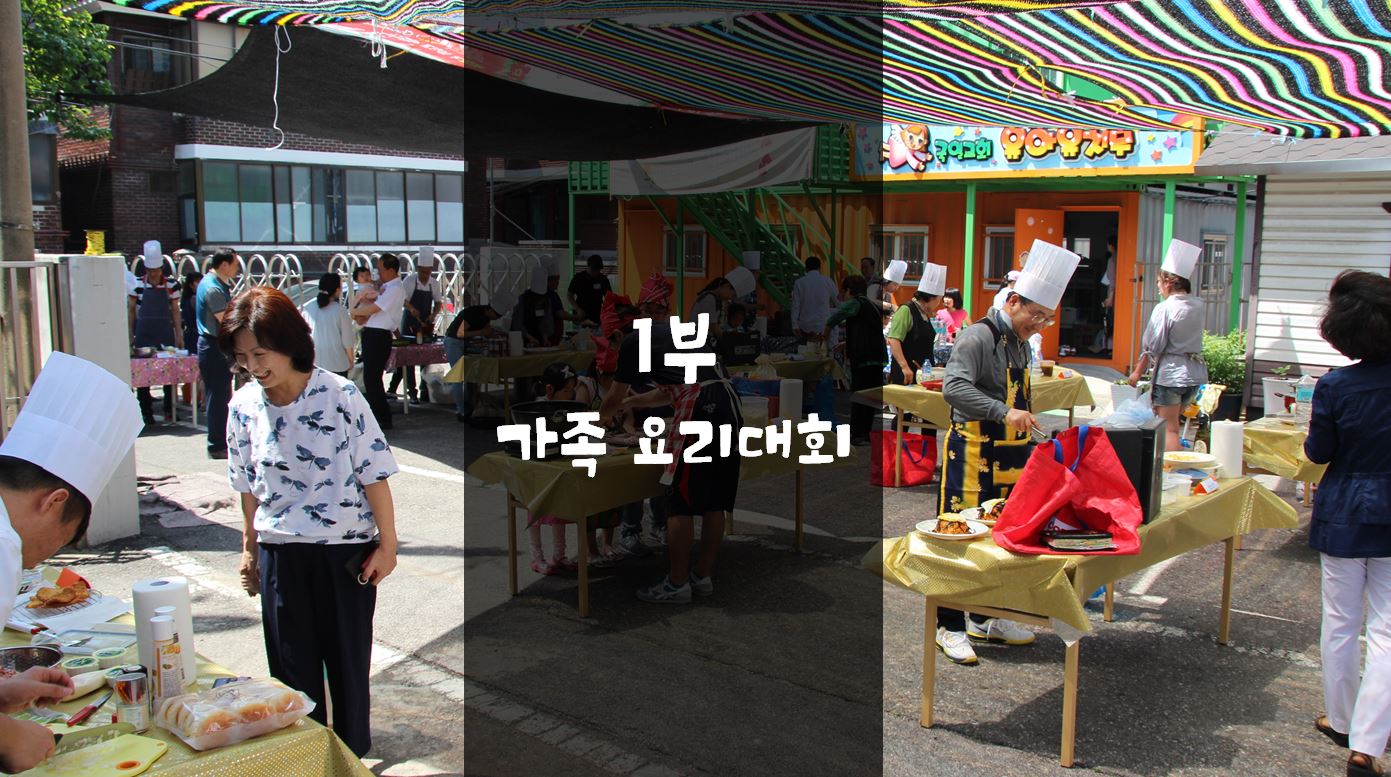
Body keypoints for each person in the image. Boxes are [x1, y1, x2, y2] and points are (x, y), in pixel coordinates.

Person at [223, 287, 398, 759]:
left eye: (260, 354)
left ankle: (351, 758)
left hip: (345, 553)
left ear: (289, 344)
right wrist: (249, 549)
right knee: (290, 673)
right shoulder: (242, 406)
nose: (253, 366)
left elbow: (374, 472)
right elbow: (246, 485)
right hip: (280, 553)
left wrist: (388, 545)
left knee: (347, 665)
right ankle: (306, 760)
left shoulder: (339, 394)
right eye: (242, 357)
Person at [936, 239, 1081, 665]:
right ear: (1013, 301)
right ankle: (949, 624)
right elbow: (953, 388)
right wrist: (1003, 411)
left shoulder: (1019, 342)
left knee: (999, 537)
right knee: (959, 538)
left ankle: (985, 617)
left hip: (1009, 455)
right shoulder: (977, 336)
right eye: (1036, 316)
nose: (1039, 325)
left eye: (1046, 319)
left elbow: (1018, 396)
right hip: (972, 451)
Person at [0, 352, 142, 772]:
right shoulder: (3, 542)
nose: (44, 558)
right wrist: (11, 739)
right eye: (61, 541)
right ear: (54, 501)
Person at [600, 282, 743, 604]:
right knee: (713, 501)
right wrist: (630, 404)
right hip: (728, 403)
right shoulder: (673, 332)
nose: (615, 351)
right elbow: (672, 390)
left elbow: (612, 397)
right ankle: (701, 576)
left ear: (619, 333)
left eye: (612, 342)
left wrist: (600, 417)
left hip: (700, 409)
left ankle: (676, 584)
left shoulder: (632, 342)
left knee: (680, 502)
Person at [1302, 270, 1391, 777]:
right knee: (1387, 631)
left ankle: (1342, 721)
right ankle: (1368, 743)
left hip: (1343, 511)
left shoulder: (1334, 386)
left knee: (1339, 621)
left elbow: (1319, 452)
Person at [1129, 240, 1207, 452]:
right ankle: (1172, 465)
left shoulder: (1165, 308)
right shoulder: (1198, 305)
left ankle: (1170, 469)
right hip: (1194, 375)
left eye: (1158, 282)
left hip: (1171, 374)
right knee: (1175, 426)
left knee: (1169, 430)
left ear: (1168, 282)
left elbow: (1153, 345)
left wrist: (1137, 372)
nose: (1157, 287)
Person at [824, 275, 885, 447]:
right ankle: (864, 434)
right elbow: (868, 331)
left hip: (864, 359)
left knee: (860, 396)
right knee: (870, 398)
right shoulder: (871, 305)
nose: (843, 296)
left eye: (843, 292)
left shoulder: (856, 303)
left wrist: (824, 338)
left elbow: (833, 319)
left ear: (849, 291)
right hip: (877, 358)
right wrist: (846, 343)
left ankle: (857, 435)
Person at [444, 290, 516, 423]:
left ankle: (471, 405)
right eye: (497, 315)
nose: (497, 318)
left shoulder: (486, 318)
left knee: (472, 376)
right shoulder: (473, 313)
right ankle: (461, 410)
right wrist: (482, 332)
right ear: (491, 310)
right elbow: (460, 333)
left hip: (467, 343)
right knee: (458, 378)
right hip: (454, 341)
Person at [352, 253, 406, 430]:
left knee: (372, 378)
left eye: (381, 270)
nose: (378, 274)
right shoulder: (385, 287)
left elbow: (374, 309)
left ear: (390, 270)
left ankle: (382, 416)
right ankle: (379, 415)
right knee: (371, 378)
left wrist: (354, 311)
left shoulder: (395, 288)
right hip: (372, 333)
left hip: (379, 335)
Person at [196, 247, 241, 459]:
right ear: (224, 265)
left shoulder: (214, 284)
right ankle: (216, 445)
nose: (237, 268)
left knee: (221, 395)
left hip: (214, 345)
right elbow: (225, 320)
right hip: (213, 345)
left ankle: (221, 442)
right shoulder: (212, 288)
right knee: (218, 397)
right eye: (235, 264)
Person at [131, 241, 182, 425]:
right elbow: (131, 310)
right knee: (142, 375)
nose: (153, 274)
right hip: (143, 333)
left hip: (165, 332)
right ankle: (146, 411)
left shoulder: (172, 285)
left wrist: (179, 334)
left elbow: (175, 310)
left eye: (156, 270)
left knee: (169, 372)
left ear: (161, 268)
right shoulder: (137, 284)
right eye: (150, 271)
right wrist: (131, 333)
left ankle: (170, 409)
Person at [388, 248, 445, 406]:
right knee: (408, 359)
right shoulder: (409, 281)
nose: (426, 275)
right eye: (423, 272)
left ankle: (424, 390)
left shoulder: (434, 283)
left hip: (424, 322)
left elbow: (438, 303)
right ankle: (412, 392)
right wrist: (411, 308)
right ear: (418, 268)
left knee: (425, 358)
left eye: (428, 272)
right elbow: (403, 299)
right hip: (409, 324)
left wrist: (433, 315)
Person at [887, 264, 947, 386]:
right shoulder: (906, 310)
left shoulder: (924, 313)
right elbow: (893, 339)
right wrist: (904, 367)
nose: (939, 303)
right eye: (939, 299)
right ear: (931, 298)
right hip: (907, 374)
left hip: (922, 374)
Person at [301, 273, 356, 378]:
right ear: (337, 290)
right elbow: (347, 340)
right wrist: (350, 359)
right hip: (337, 362)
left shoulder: (307, 307)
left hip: (314, 362)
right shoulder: (340, 310)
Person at [689, 267, 756, 343]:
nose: (730, 298)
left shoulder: (715, 299)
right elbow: (713, 326)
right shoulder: (709, 299)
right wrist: (727, 341)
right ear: (726, 286)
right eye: (732, 295)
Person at [791, 256, 840, 341]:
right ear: (819, 268)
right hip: (824, 326)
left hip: (805, 327)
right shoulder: (827, 281)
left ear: (806, 268)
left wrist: (794, 325)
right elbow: (838, 302)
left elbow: (795, 306)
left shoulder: (798, 283)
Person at [1091, 235, 1118, 354]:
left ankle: (1111, 347)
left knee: (1110, 320)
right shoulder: (1120, 257)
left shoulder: (1112, 260)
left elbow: (1112, 282)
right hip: (1120, 293)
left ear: (1111, 246)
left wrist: (1110, 298)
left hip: (1113, 294)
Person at [568, 254, 612, 326]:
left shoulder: (603, 279)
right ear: (588, 267)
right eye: (593, 270)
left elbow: (609, 298)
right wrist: (577, 309)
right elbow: (569, 295)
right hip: (581, 315)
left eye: (598, 270)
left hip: (596, 315)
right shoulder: (578, 278)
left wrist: (606, 311)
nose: (596, 272)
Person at [180, 270, 202, 359]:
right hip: (195, 335)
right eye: (198, 282)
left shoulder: (185, 299)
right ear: (191, 285)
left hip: (190, 335)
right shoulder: (194, 299)